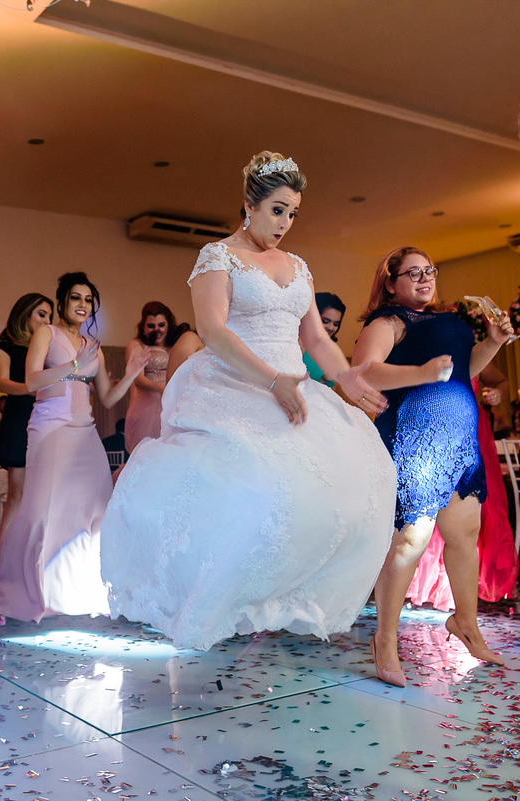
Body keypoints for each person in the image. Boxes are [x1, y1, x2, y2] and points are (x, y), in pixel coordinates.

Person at [101, 153, 396, 651]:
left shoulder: (299, 265)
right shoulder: (218, 258)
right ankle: (212, 598)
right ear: (249, 205)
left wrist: (345, 376)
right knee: (254, 490)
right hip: (236, 385)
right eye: (277, 210)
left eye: (293, 213)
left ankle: (282, 597)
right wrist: (272, 380)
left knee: (354, 483)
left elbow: (315, 340)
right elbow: (213, 331)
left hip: (293, 387)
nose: (285, 223)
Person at [355, 245, 514, 687]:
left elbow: (463, 370)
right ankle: (384, 640)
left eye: (430, 270)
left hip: (459, 437)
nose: (425, 278)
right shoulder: (387, 322)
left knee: (464, 535)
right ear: (391, 282)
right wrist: (421, 373)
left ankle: (467, 624)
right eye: (412, 273)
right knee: (411, 540)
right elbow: (364, 372)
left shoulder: (450, 320)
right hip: (414, 435)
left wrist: (493, 343)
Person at [0, 272, 148, 622]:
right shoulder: (47, 333)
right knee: (40, 508)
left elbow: (107, 397)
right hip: (50, 426)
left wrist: (132, 373)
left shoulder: (94, 346)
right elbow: (30, 380)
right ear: (61, 302)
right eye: (76, 298)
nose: (83, 305)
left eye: (88, 300)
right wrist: (73, 365)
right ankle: (12, 591)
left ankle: (77, 591)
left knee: (96, 508)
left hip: (85, 430)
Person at [406, 363, 519, 610]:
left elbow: (501, 381)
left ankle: (464, 587)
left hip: (471, 427)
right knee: (432, 507)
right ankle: (433, 584)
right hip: (432, 424)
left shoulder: (472, 349)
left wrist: (498, 392)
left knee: (476, 508)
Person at [0, 293, 54, 545]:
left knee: (41, 492)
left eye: (50, 316)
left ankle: (33, 549)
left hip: (46, 417)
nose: (47, 320)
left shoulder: (47, 347)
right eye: (41, 314)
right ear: (25, 313)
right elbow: (2, 382)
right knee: (17, 492)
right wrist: (32, 387)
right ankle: (6, 555)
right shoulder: (6, 343)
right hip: (18, 419)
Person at [123, 301, 177, 453]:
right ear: (143, 326)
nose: (157, 330)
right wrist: (161, 387)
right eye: (151, 326)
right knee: (146, 454)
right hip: (147, 407)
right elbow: (138, 379)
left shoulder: (175, 346)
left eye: (161, 325)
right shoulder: (137, 344)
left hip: (171, 406)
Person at [302, 292, 346, 386]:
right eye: (325, 321)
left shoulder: (331, 350)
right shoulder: (300, 343)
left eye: (336, 324)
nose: (331, 328)